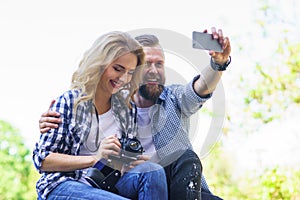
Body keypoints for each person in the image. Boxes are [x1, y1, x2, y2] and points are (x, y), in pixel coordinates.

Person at [39, 27, 231, 200]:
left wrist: (218, 64)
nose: (154, 71)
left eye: (159, 64)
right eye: (147, 64)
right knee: (151, 172)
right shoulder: (113, 103)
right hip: (110, 183)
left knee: (180, 159)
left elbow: (199, 89)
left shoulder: (170, 99)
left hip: (172, 186)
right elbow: (46, 155)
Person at [32, 31, 168, 200]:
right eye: (118, 69)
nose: (123, 78)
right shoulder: (70, 101)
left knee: (152, 171)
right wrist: (95, 158)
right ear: (100, 64)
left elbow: (123, 164)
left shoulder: (126, 109)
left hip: (106, 185)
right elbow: (43, 160)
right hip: (64, 185)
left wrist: (132, 161)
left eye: (130, 72)